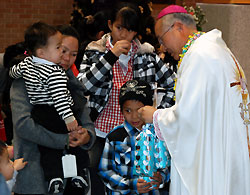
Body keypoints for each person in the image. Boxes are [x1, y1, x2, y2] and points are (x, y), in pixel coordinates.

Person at [138, 5, 250, 195]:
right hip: (227, 154)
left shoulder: (199, 56)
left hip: (213, 159)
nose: (162, 47)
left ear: (178, 27)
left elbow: (190, 118)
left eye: (161, 38)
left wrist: (155, 116)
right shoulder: (217, 50)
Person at [77, 2, 175, 194]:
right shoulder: (95, 50)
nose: (123, 35)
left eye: (129, 30)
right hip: (101, 131)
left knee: (136, 183)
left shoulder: (146, 54)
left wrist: (158, 113)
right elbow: (83, 86)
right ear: (110, 25)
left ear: (136, 32)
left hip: (137, 130)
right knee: (98, 179)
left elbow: (174, 84)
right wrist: (110, 57)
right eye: (119, 28)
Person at [8, 24, 95, 195]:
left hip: (72, 179)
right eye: (62, 50)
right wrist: (63, 139)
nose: (66, 57)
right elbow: (23, 125)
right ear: (43, 51)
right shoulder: (26, 79)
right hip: (35, 177)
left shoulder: (71, 81)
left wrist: (86, 136)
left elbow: (86, 121)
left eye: (74, 54)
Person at [99, 79, 168, 194]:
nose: (134, 116)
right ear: (121, 110)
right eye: (128, 111)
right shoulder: (115, 137)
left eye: (139, 110)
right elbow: (105, 171)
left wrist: (161, 177)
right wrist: (130, 185)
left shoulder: (158, 134)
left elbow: (167, 166)